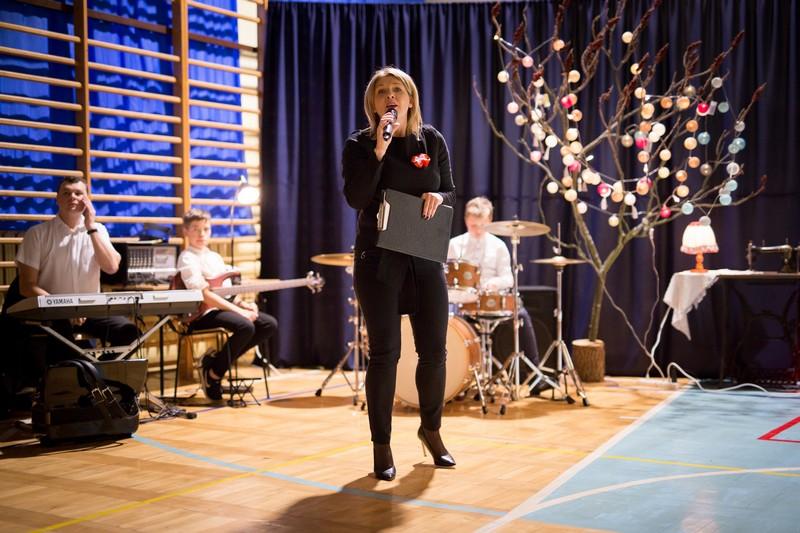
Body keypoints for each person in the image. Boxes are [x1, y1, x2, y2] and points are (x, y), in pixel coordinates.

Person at [342, 66, 456, 481]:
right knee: (385, 354)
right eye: (382, 92)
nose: (390, 96)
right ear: (373, 103)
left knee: (435, 352)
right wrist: (379, 147)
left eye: (397, 90)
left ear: (410, 99)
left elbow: (450, 190)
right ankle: (381, 445)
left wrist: (438, 195)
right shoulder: (359, 143)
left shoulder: (432, 140)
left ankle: (432, 431)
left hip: (424, 256)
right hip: (378, 259)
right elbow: (357, 198)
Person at [15, 176, 140, 364]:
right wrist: (66, 308)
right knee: (70, 351)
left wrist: (91, 228)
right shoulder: (37, 234)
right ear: (57, 199)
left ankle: (100, 372)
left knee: (131, 333)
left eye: (78, 193)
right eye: (66, 193)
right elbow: (27, 286)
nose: (72, 197)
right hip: (53, 313)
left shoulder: (99, 230)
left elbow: (112, 267)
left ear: (87, 199)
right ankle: (89, 372)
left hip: (91, 310)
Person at [177, 209, 278, 400]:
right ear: (186, 231)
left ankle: (215, 365)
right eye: (196, 229)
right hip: (199, 314)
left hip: (221, 308)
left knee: (268, 324)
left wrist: (244, 304)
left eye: (205, 229)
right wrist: (240, 312)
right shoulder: (187, 258)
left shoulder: (215, 257)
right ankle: (215, 374)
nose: (201, 234)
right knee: (245, 326)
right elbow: (204, 295)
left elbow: (226, 293)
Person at [447, 196, 543, 387]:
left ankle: (535, 375)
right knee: (448, 320)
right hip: (462, 302)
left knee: (521, 314)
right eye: (473, 225)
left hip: (490, 301)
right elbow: (448, 279)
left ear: (490, 220)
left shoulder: (498, 246)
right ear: (466, 220)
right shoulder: (454, 244)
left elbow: (509, 279)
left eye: (482, 225)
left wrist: (493, 283)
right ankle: (455, 379)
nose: (477, 230)